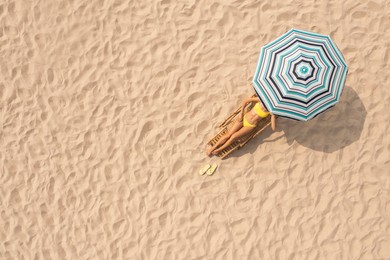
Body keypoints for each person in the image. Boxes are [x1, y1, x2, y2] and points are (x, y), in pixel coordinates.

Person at [206, 96, 277, 156]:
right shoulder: (261, 99)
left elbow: (273, 128)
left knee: (233, 137)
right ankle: (212, 148)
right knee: (228, 135)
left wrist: (273, 116)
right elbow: (245, 101)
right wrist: (241, 113)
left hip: (250, 126)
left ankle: (219, 150)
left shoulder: (271, 111)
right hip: (243, 118)